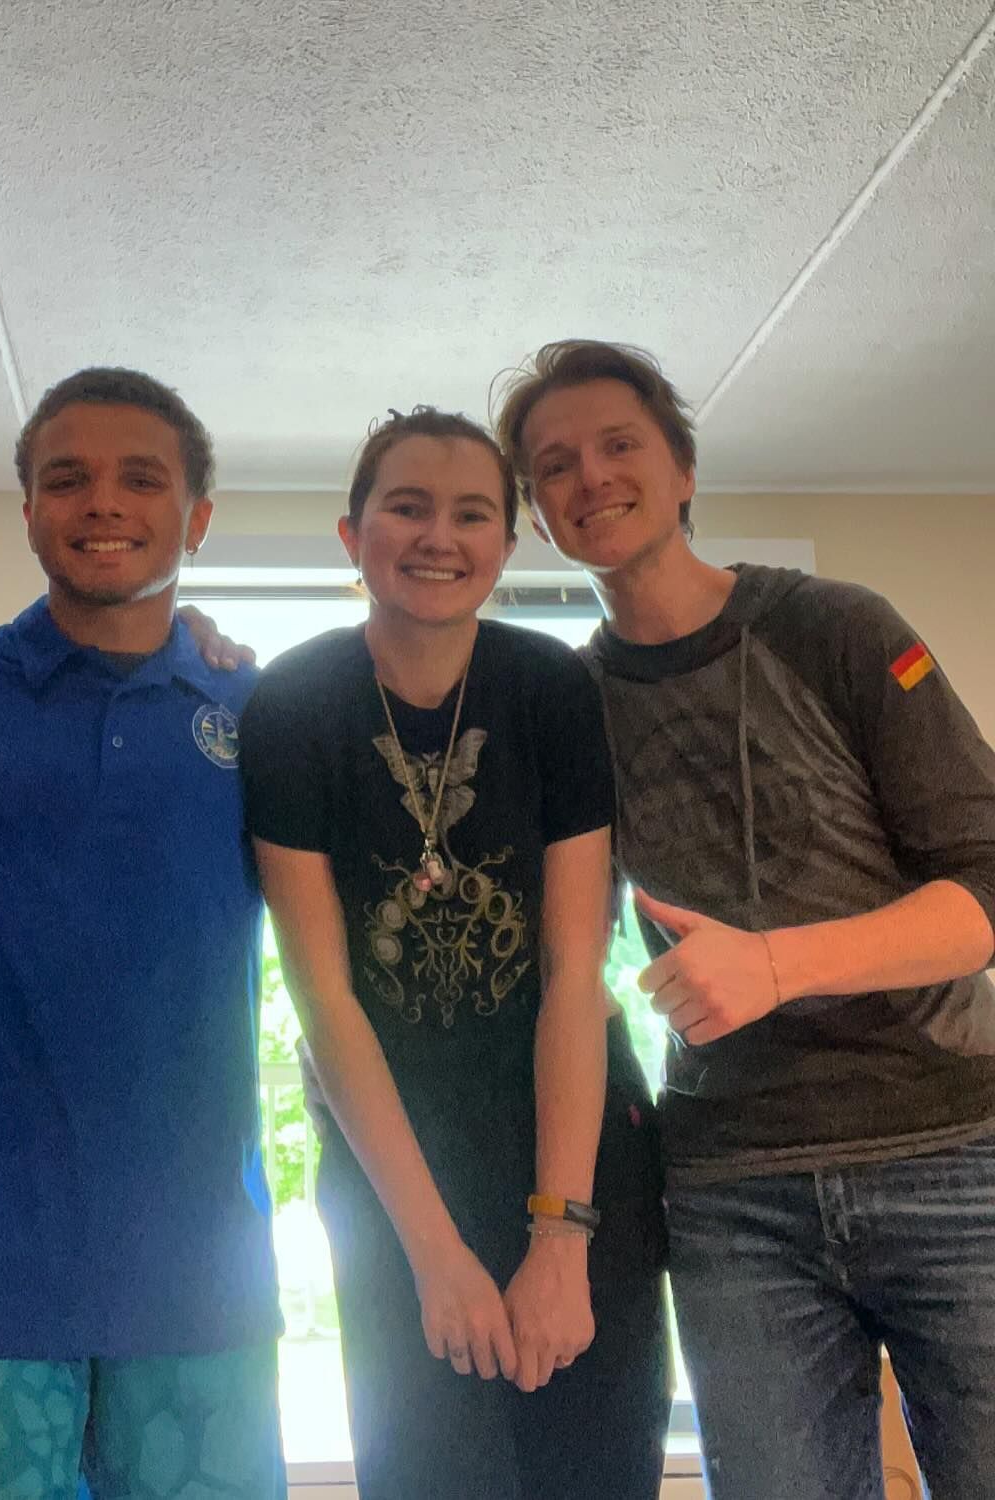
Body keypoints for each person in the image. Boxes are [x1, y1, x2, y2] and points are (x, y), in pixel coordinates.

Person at [495, 339, 995, 1500]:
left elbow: (983, 889)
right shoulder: (571, 707)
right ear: (539, 514)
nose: (590, 478)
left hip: (950, 1155)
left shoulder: (837, 628)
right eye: (553, 465)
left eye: (620, 444)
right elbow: (561, 963)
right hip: (731, 1197)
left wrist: (776, 963)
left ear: (682, 471)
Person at [239, 408, 670, 1498]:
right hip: (395, 1169)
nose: (440, 535)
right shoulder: (293, 704)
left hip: (571, 1145)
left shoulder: (551, 689)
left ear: (507, 546)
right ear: (353, 533)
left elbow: (579, 974)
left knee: (592, 1470)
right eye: (408, 507)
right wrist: (435, 1258)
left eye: (472, 512)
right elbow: (323, 998)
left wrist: (560, 1240)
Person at [0, 368, 285, 1499]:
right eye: (68, 479)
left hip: (204, 1276)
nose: (102, 501)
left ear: (198, 519)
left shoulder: (255, 714)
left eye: (141, 480)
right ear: (28, 513)